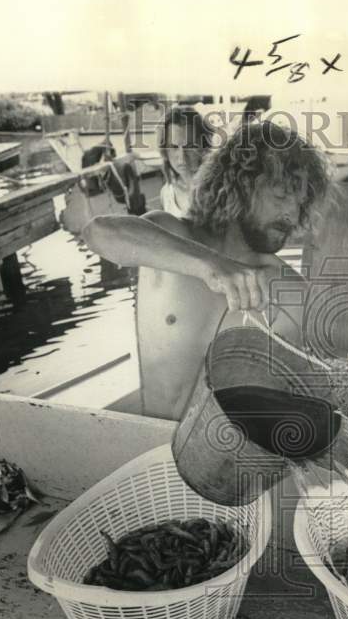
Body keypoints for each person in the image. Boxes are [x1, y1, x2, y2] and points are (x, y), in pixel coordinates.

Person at [77, 120, 332, 421]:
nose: (291, 214)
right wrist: (212, 267)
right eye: (281, 197)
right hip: (152, 442)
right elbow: (98, 232)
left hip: (233, 460)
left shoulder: (289, 288)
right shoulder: (170, 239)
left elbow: (325, 382)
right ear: (242, 185)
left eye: (300, 204)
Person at [157, 105, 216, 217]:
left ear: (203, 146)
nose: (182, 157)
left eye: (189, 146)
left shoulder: (218, 191)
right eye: (174, 147)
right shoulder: (167, 194)